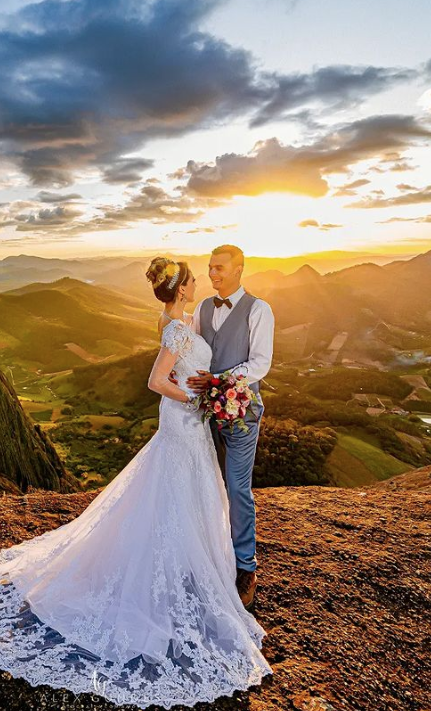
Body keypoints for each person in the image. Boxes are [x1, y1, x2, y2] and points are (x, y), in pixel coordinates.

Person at [0, 256, 272, 708]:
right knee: (175, 492)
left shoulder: (178, 318)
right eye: (195, 277)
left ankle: (185, 565)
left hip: (189, 424)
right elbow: (157, 379)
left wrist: (206, 391)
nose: (201, 279)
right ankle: (172, 571)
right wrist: (199, 396)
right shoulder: (179, 326)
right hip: (184, 419)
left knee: (183, 493)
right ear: (180, 290)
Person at [185, 245, 274, 612]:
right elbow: (188, 346)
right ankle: (204, 552)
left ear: (239, 270)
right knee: (204, 482)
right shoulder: (204, 308)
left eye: (219, 268)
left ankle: (245, 566)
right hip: (205, 413)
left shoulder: (260, 310)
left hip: (242, 412)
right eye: (209, 268)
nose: (212, 274)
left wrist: (219, 380)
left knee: (237, 486)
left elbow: (260, 364)